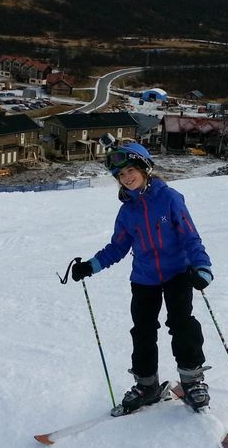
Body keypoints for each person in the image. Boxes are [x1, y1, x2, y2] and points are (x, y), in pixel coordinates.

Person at [70, 141, 213, 414]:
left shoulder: (170, 198)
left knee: (181, 324)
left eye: (130, 171)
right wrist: (91, 265)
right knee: (143, 331)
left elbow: (190, 236)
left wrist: (202, 268)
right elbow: (118, 247)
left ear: (145, 168)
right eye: (121, 175)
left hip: (178, 273)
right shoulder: (127, 212)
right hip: (144, 277)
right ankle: (147, 385)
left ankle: (192, 380)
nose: (126, 178)